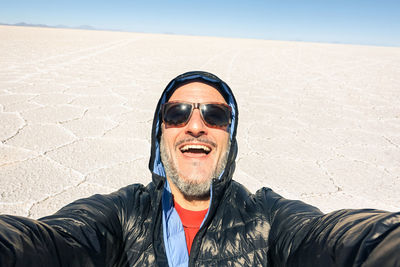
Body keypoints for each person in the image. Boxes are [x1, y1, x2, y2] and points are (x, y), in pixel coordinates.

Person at [0, 71, 399, 267]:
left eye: (215, 114)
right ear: (159, 137)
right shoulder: (122, 213)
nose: (195, 124)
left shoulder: (267, 217)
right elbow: (50, 241)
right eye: (176, 114)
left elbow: (336, 239)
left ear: (231, 136)